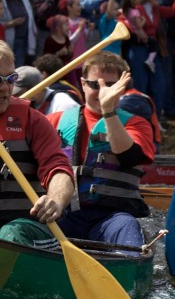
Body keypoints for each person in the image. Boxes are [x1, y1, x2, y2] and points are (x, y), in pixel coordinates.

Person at [48, 52, 155, 250]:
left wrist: (108, 111)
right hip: (63, 213)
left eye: (111, 85)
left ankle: (128, 268)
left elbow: (129, 156)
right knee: (27, 226)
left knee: (128, 227)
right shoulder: (53, 121)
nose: (102, 92)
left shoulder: (137, 123)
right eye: (95, 85)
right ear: (83, 84)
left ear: (122, 87)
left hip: (111, 217)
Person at [0, 42, 75, 248]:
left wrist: (56, 199)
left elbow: (58, 169)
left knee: (8, 235)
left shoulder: (33, 121)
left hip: (25, 228)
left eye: (10, 79)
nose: (6, 88)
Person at [12, 65, 80, 115]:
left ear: (37, 90)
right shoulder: (32, 106)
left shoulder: (63, 104)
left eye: (19, 94)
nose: (16, 98)